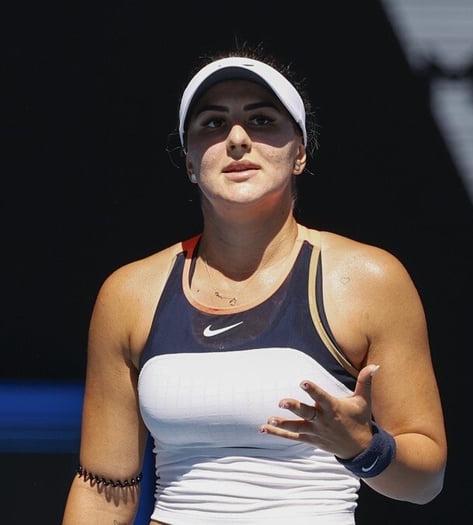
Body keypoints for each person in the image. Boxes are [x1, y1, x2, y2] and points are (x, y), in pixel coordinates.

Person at [62, 48, 447, 524]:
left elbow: (426, 481)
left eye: (263, 121)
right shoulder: (129, 293)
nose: (238, 139)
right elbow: (104, 491)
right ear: (188, 162)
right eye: (212, 124)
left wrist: (363, 447)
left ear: (300, 152)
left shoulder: (368, 280)